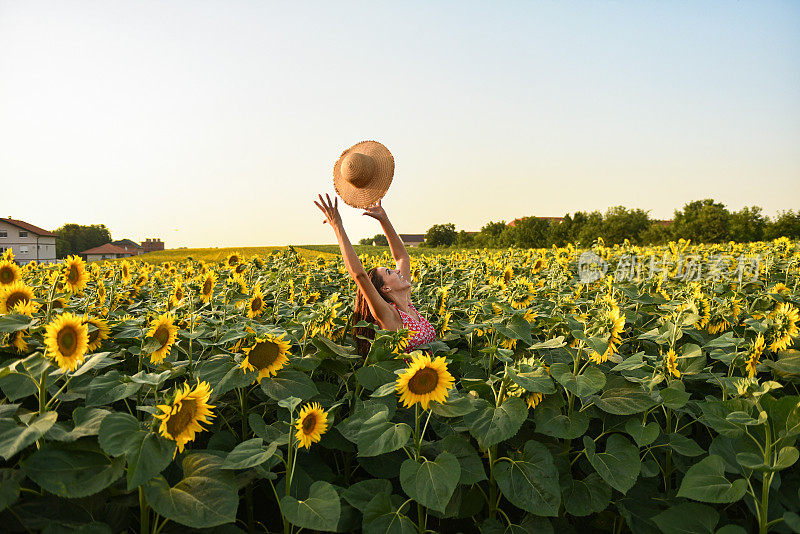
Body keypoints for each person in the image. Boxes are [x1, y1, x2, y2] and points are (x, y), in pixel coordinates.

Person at [313, 193, 437, 357]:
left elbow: (402, 258)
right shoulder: (389, 316)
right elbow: (359, 275)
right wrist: (338, 227)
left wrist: (384, 220)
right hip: (405, 380)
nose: (397, 270)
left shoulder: (407, 305)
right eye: (389, 271)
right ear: (385, 288)